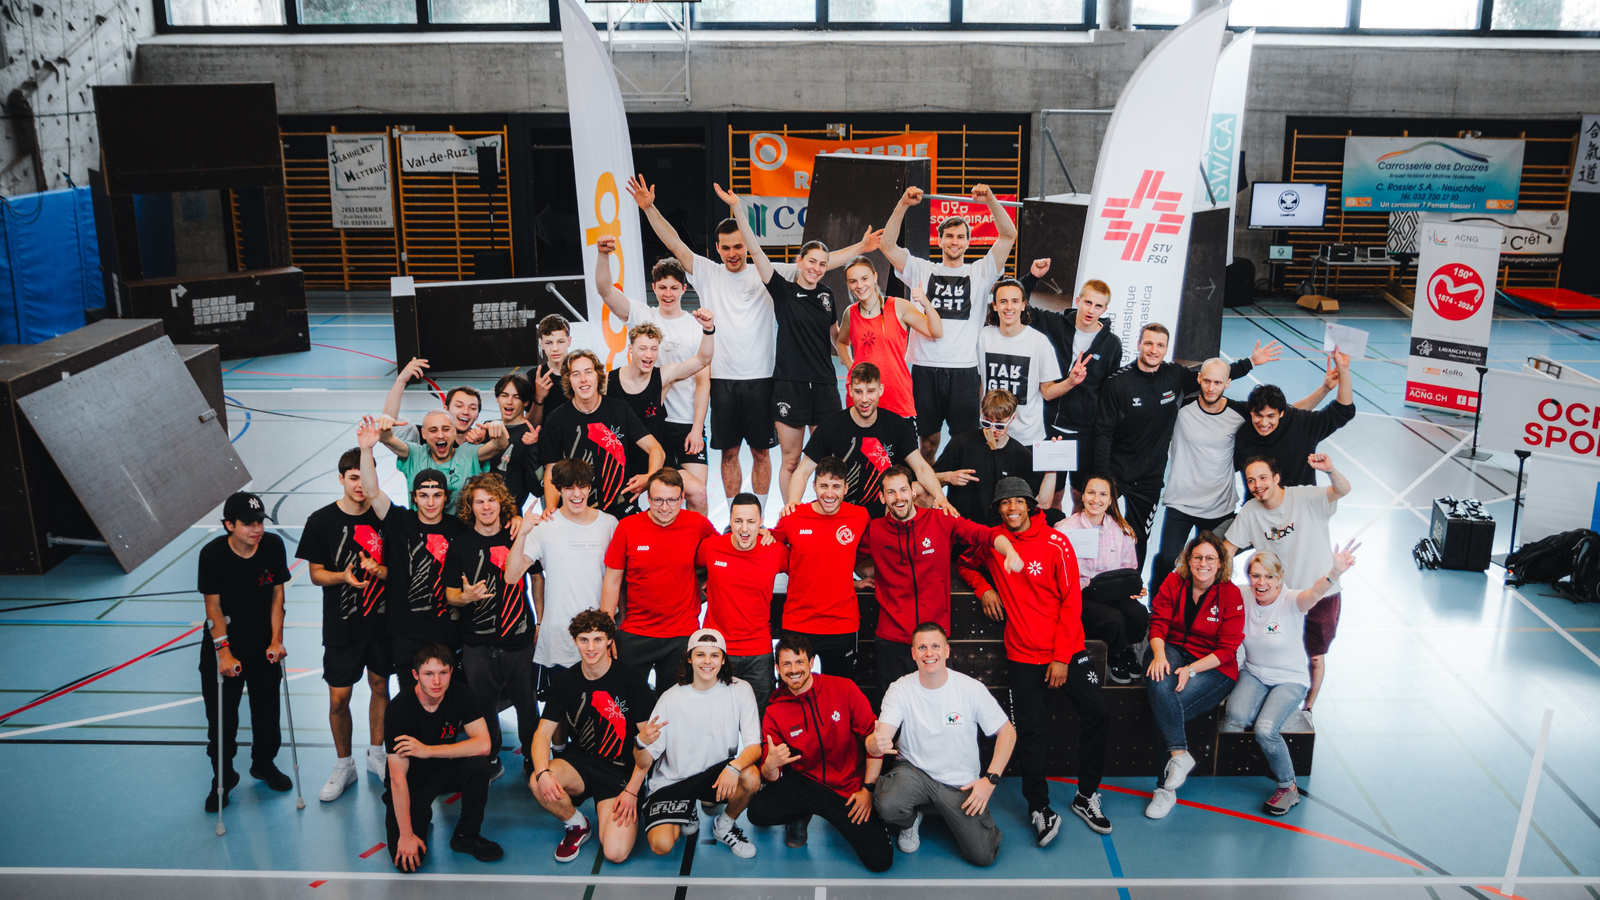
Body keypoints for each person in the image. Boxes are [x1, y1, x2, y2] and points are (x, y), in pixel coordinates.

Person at [965, 477, 1111, 842]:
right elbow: (965, 563)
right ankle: (1038, 808)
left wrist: (1061, 658)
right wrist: (984, 588)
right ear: (998, 509)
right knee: (1029, 731)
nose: (1011, 508)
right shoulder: (994, 542)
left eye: (1017, 501)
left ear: (1030, 505)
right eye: (1005, 503)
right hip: (1023, 653)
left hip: (1066, 650)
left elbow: (1071, 602)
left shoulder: (1056, 542)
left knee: (1099, 712)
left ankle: (1086, 794)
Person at [628, 176, 791, 502]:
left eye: (739, 246)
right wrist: (649, 209)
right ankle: (735, 514)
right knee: (728, 453)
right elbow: (674, 243)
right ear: (717, 248)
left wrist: (859, 248)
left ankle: (756, 516)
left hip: (761, 379)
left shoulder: (767, 272)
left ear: (747, 245)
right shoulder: (707, 271)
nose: (733, 253)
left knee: (761, 453)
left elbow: (817, 264)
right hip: (722, 381)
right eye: (726, 247)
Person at [714, 187, 880, 497]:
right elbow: (755, 248)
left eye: (822, 264)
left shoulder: (828, 296)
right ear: (799, 261)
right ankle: (792, 517)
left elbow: (836, 337)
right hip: (790, 385)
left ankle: (824, 516)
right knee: (791, 461)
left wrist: (854, 361)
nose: (817, 268)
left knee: (829, 460)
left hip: (824, 386)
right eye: (811, 262)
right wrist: (737, 208)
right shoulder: (781, 289)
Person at [1093, 324, 1277, 565]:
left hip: (1149, 479)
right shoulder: (1117, 383)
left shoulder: (1175, 375)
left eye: (1160, 345)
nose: (1153, 350)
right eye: (1148, 343)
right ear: (1138, 344)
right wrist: (1101, 476)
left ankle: (1130, 592)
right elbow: (1103, 432)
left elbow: (1215, 376)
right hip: (1116, 473)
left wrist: (1249, 362)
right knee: (1102, 533)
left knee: (1138, 539)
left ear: (1166, 349)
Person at [1151, 359, 1329, 596]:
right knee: (1168, 558)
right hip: (1180, 502)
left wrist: (1325, 389)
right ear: (1199, 380)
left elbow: (1286, 413)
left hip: (1218, 506)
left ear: (1227, 383)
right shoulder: (1182, 406)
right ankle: (1158, 607)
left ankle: (1205, 607)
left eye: (1218, 382)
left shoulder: (1239, 412)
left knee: (1214, 561)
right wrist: (1249, 363)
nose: (1211, 387)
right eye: (1207, 381)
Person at [880, 185, 1017, 460]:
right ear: (939, 240)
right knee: (927, 443)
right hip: (925, 368)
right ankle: (927, 496)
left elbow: (1008, 235)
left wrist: (990, 200)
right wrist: (903, 204)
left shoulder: (981, 271)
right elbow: (886, 245)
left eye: (961, 237)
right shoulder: (921, 269)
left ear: (968, 242)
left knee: (965, 443)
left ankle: (959, 500)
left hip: (964, 371)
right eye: (949, 236)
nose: (955, 241)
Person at [1223, 543, 1357, 816]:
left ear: (1279, 579)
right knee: (1235, 715)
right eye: (1256, 575)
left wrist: (1335, 572)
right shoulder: (1242, 594)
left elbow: (1316, 592)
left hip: (1289, 679)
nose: (1262, 582)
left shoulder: (1292, 601)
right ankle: (1265, 706)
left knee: (1265, 729)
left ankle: (1288, 787)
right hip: (1254, 671)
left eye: (1269, 576)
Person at [862, 465, 1023, 692]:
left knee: (938, 710)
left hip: (933, 640)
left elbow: (985, 534)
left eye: (903, 490)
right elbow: (842, 558)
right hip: (892, 639)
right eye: (891, 492)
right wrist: (857, 580)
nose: (898, 498)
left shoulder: (940, 520)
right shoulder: (874, 530)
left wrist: (1010, 551)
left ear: (913, 491)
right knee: (891, 714)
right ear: (881, 497)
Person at [869, 623, 1017, 867]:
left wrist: (990, 781)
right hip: (914, 771)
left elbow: (1007, 733)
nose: (929, 653)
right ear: (913, 653)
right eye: (922, 647)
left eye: (935, 646)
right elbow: (882, 735)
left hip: (958, 781)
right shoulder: (899, 689)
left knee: (983, 855)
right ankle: (910, 820)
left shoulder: (970, 689)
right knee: (888, 804)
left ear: (947, 651)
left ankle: (950, 814)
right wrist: (877, 743)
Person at [746, 634, 893, 871]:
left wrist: (867, 790)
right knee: (757, 813)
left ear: (811, 662)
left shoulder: (843, 688)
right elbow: (771, 775)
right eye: (786, 664)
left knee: (880, 861)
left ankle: (822, 812)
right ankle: (801, 814)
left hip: (848, 788)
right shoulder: (775, 711)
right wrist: (771, 764)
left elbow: (872, 742)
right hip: (806, 785)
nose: (793, 670)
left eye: (799, 662)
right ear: (777, 668)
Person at [295, 447, 390, 802]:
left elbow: (400, 567)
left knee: (381, 687)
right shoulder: (321, 521)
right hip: (341, 624)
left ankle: (376, 754)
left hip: (380, 622)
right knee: (340, 698)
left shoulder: (385, 517)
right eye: (353, 478)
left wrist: (380, 571)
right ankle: (344, 764)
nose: (360, 485)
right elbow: (317, 575)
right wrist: (344, 577)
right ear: (341, 479)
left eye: (365, 477)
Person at [1225, 453, 1352, 714]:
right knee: (1276, 651)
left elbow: (1343, 489)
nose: (1257, 484)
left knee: (1315, 657)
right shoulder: (1251, 512)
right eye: (1250, 480)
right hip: (1280, 600)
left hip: (1321, 593)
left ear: (1276, 478)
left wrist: (1330, 470)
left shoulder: (1306, 497)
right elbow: (1228, 549)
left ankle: (1308, 709)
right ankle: (1271, 697)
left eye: (1262, 478)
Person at [596, 235, 716, 511]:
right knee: (655, 496)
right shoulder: (641, 315)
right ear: (654, 287)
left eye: (674, 287)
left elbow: (702, 381)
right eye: (662, 287)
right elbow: (605, 289)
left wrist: (698, 427)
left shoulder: (695, 326)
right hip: (649, 424)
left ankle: (699, 547)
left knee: (697, 494)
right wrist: (603, 255)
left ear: (684, 289)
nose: (668, 293)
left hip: (686, 421)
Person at [529, 609, 654, 864]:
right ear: (575, 641)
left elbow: (650, 745)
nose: (590, 647)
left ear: (609, 640)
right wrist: (542, 772)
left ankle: (638, 800)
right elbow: (542, 734)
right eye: (584, 640)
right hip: (581, 762)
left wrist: (632, 790)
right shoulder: (565, 682)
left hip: (621, 771)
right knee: (537, 781)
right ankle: (577, 825)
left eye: (597, 639)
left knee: (615, 853)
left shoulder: (632, 682)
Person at [357, 418, 465, 696]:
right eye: (424, 495)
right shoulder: (399, 521)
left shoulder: (458, 530)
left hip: (445, 629)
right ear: (414, 497)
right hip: (406, 631)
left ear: (445, 498)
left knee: (444, 696)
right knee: (409, 695)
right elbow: (371, 491)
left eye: (437, 495)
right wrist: (367, 450)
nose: (430, 502)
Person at [199, 490, 291, 811]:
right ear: (228, 525)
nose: (257, 529)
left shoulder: (273, 546)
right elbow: (213, 607)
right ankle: (222, 778)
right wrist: (223, 653)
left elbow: (277, 598)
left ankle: (263, 764)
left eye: (259, 522)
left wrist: (276, 640)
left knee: (267, 714)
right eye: (248, 524)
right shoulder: (212, 555)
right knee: (222, 720)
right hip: (226, 645)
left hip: (263, 645)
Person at [636, 629, 763, 859]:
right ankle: (688, 808)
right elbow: (644, 761)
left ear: (723, 659)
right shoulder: (670, 698)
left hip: (715, 774)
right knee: (661, 845)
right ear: (689, 658)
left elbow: (755, 746)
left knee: (751, 776)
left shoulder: (740, 690)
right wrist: (639, 744)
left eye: (714, 655)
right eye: (700, 655)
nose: (707, 662)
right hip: (675, 780)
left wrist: (734, 767)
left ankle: (724, 826)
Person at [1142, 532, 1244, 820]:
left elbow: (1228, 649)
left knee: (1166, 705)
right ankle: (1179, 757)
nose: (1203, 563)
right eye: (1197, 557)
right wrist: (1160, 656)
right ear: (1188, 559)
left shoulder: (1230, 594)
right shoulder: (1174, 581)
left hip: (1213, 666)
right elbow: (1159, 622)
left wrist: (1191, 669)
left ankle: (1164, 789)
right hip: (1171, 649)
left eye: (1211, 558)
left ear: (1221, 563)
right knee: (1158, 680)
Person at [444, 473, 538, 782]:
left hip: (518, 639)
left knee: (527, 704)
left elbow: (536, 578)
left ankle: (532, 757)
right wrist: (465, 596)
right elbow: (449, 595)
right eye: (479, 501)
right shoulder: (460, 545)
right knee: (482, 705)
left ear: (502, 502)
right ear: (471, 506)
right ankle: (491, 753)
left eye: (492, 500)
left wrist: (540, 620)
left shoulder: (517, 535)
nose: (486, 507)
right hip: (477, 642)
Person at [383, 643, 502, 872]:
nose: (437, 682)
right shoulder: (399, 709)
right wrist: (406, 835)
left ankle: (466, 835)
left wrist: (428, 750)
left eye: (443, 673)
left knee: (479, 765)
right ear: (416, 675)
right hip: (412, 782)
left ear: (450, 672)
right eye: (429, 674)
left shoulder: (461, 693)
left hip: (444, 769)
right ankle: (421, 815)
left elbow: (484, 744)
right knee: (406, 863)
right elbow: (398, 778)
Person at [601, 467, 718, 693]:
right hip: (635, 632)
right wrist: (606, 631)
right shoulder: (627, 527)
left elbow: (724, 554)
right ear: (648, 498)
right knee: (625, 704)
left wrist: (764, 534)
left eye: (672, 501)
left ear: (683, 497)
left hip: (681, 635)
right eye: (658, 500)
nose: (665, 508)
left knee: (674, 710)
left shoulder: (698, 525)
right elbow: (612, 581)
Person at [787, 362, 952, 520]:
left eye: (870, 391)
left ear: (880, 390)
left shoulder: (896, 425)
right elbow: (802, 472)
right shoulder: (831, 427)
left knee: (923, 491)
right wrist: (793, 501)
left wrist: (940, 496)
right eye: (858, 392)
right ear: (850, 390)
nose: (865, 399)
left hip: (884, 508)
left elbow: (921, 467)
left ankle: (905, 537)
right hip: (843, 509)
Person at [1018, 264, 1122, 502]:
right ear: (1078, 300)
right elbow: (1019, 300)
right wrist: (1032, 277)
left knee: (1081, 496)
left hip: (1085, 433)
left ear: (1105, 309)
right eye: (1087, 303)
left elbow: (1109, 394)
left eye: (1098, 306)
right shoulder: (1055, 324)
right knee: (1051, 493)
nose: (1091, 310)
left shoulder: (1111, 345)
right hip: (1049, 426)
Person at [770, 456, 871, 678]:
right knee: (792, 693)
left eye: (836, 486)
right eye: (823, 486)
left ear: (846, 488)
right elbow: (771, 545)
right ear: (814, 486)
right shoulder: (793, 516)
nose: (829, 493)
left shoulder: (859, 517)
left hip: (841, 624)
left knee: (838, 695)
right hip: (799, 622)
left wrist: (854, 580)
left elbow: (862, 553)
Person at [537, 348, 665, 520]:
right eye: (576, 374)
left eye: (588, 372)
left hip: (620, 509)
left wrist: (649, 477)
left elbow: (656, 449)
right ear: (569, 380)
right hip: (577, 511)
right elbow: (551, 470)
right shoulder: (556, 419)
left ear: (598, 376)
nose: (583, 379)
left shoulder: (620, 410)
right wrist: (552, 510)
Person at [522, 459, 618, 679]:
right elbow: (512, 574)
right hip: (558, 635)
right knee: (561, 707)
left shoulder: (610, 524)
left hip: (599, 633)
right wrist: (522, 533)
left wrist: (613, 627)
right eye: (569, 487)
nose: (577, 493)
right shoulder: (545, 526)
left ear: (590, 487)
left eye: (582, 486)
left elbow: (617, 580)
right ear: (558, 490)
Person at [609, 316, 716, 514]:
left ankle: (696, 543)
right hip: (620, 463)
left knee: (698, 491)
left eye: (654, 348)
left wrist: (708, 330)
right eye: (642, 348)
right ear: (630, 349)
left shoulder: (663, 377)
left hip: (655, 459)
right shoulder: (608, 382)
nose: (648, 354)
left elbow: (703, 359)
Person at [1056, 474, 1147, 684]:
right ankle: (1114, 654)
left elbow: (1129, 568)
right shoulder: (1064, 530)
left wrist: (1135, 588)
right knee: (1112, 619)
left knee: (1138, 614)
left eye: (1103, 494)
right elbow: (1056, 571)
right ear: (1083, 496)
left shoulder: (1122, 531)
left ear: (1110, 499)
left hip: (1112, 592)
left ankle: (1126, 650)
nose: (1096, 499)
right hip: (1081, 595)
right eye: (1091, 492)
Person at [698, 493, 788, 703]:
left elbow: (807, 573)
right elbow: (681, 568)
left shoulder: (774, 549)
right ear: (730, 521)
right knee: (716, 721)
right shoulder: (712, 548)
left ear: (761, 522)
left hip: (758, 651)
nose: (744, 528)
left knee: (760, 722)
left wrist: (854, 582)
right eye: (738, 521)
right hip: (717, 649)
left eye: (751, 521)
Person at [977, 277, 1084, 446]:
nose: (1009, 307)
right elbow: (980, 385)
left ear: (1023, 305)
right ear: (995, 306)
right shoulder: (983, 336)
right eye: (1003, 301)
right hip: (990, 432)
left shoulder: (1039, 342)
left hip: (1026, 436)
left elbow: (1047, 392)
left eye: (1015, 301)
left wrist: (1070, 382)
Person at [835, 256, 942, 421]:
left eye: (864, 278)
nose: (860, 285)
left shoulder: (898, 306)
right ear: (848, 284)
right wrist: (852, 367)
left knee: (903, 447)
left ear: (875, 277)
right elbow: (841, 342)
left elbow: (936, 331)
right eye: (853, 281)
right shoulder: (850, 313)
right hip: (861, 400)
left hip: (897, 399)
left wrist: (926, 304)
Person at [1234, 351, 1355, 488]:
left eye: (1270, 416)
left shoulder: (1301, 426)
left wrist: (1343, 370)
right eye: (1258, 415)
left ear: (1281, 413)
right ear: (1251, 412)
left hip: (1300, 506)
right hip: (1259, 507)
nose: (1264, 423)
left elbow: (1343, 411)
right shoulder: (1243, 435)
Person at [934, 389, 1055, 526]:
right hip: (961, 525)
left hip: (1000, 530)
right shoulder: (961, 443)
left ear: (1012, 419)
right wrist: (948, 477)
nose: (992, 430)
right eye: (986, 422)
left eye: (999, 424)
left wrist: (1052, 462)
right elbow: (928, 479)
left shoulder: (1022, 456)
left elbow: (1040, 502)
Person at [377, 409, 508, 508]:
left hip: (460, 533)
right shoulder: (415, 454)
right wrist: (385, 424)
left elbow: (500, 444)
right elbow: (386, 438)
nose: (440, 435)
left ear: (454, 431)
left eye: (445, 429)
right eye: (433, 430)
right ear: (424, 434)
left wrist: (498, 428)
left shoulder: (467, 453)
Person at [381, 361, 484, 446]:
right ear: (446, 409)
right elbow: (389, 422)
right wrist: (401, 381)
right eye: (459, 406)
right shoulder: (425, 437)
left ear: (477, 415)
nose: (465, 411)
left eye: (472, 408)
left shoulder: (480, 441)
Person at [489, 372, 542, 513]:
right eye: (504, 395)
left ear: (525, 402)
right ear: (497, 398)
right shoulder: (487, 429)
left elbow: (538, 489)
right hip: (481, 516)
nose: (509, 402)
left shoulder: (532, 436)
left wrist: (533, 448)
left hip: (511, 519)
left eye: (516, 397)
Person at [531, 314, 573, 427]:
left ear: (569, 341)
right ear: (541, 344)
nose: (555, 348)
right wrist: (538, 397)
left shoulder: (580, 374)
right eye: (549, 343)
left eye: (560, 342)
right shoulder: (534, 377)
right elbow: (530, 425)